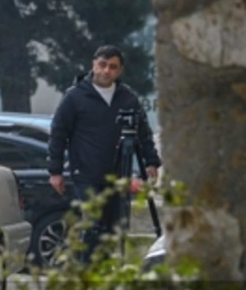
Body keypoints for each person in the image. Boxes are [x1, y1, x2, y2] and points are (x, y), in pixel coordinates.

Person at [47, 45, 161, 262]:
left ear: (119, 71)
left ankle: (106, 270)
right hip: (86, 172)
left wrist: (151, 161)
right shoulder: (75, 97)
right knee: (92, 226)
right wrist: (55, 170)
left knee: (113, 228)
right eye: (102, 65)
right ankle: (87, 274)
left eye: (112, 67)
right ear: (94, 64)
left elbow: (143, 133)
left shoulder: (127, 98)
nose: (106, 71)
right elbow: (58, 133)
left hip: (118, 173)